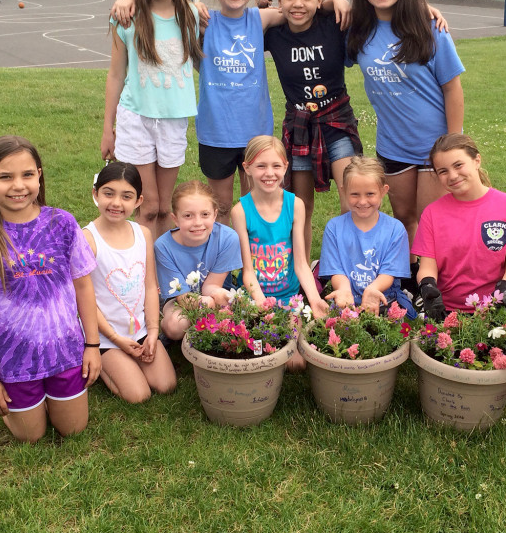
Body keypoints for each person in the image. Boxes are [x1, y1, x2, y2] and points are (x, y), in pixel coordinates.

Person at [111, 0, 348, 226]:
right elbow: (161, 1)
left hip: (254, 133)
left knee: (256, 207)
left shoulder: (260, 19)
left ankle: (255, 262)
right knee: (221, 207)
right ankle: (227, 265)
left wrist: (335, 1)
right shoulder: (201, 20)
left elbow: (300, 8)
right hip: (215, 134)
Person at [0, 135, 100, 443]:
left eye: (27, 175)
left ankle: (48, 398)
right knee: (31, 436)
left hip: (64, 352)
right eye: (5, 177)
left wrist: (92, 346)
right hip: (14, 360)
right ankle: (22, 404)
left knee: (73, 430)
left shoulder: (63, 223)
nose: (18, 185)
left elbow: (83, 287)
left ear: (39, 176)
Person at [346, 0, 465, 246]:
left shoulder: (430, 28)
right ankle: (410, 282)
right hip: (393, 145)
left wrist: (453, 142)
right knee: (403, 217)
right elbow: (316, 13)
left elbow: (452, 88)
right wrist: (335, 0)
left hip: (433, 145)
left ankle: (431, 283)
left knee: (429, 220)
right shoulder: (357, 31)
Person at [101, 0, 202, 240]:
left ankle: (160, 274)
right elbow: (116, 75)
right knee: (147, 206)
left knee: (162, 209)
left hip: (173, 120)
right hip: (136, 119)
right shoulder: (127, 17)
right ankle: (144, 277)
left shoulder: (191, 16)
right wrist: (108, 127)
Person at [265, 0, 362, 256]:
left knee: (351, 196)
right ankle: (301, 270)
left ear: (320, 0)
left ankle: (347, 268)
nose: (298, 4)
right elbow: (232, 23)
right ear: (278, 1)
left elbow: (379, 14)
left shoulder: (334, 23)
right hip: (299, 126)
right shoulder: (274, 32)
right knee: (300, 206)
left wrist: (339, 2)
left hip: (336, 121)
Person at [412, 134, 506, 320]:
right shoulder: (432, 213)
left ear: (477, 160)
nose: (453, 176)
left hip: (491, 309)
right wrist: (428, 287)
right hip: (445, 309)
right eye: (443, 171)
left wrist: (505, 290)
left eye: (458, 165)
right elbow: (427, 267)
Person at [232, 136, 329, 369]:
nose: (269, 173)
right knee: (257, 353)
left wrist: (314, 299)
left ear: (286, 167)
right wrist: (261, 303)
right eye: (261, 166)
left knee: (295, 363)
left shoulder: (295, 205)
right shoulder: (240, 211)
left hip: (289, 298)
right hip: (255, 298)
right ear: (247, 168)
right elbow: (247, 271)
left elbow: (301, 264)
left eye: (276, 166)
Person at [84, 161, 175, 403]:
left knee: (166, 385)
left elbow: (149, 286)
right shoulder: (87, 240)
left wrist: (153, 332)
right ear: (95, 194)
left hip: (140, 332)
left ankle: (132, 358)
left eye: (126, 196)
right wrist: (115, 339)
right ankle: (102, 362)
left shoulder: (143, 234)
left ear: (138, 201)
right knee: (138, 395)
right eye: (108, 193)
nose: (116, 203)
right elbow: (85, 301)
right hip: (107, 337)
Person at [318, 156, 415, 317]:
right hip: (347, 300)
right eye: (355, 194)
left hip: (386, 299)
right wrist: (343, 289)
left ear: (383, 191)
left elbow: (389, 273)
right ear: (343, 191)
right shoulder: (334, 228)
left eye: (370, 194)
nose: (362, 201)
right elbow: (336, 271)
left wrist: (373, 289)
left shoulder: (395, 229)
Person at [155, 180, 243, 343]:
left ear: (215, 215)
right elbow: (182, 297)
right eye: (188, 215)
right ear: (175, 218)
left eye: (205, 214)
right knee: (174, 326)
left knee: (237, 311)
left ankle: (209, 333)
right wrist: (206, 303)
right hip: (180, 300)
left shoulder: (228, 239)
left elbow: (211, 286)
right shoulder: (163, 247)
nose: (197, 223)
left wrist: (219, 299)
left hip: (216, 294)